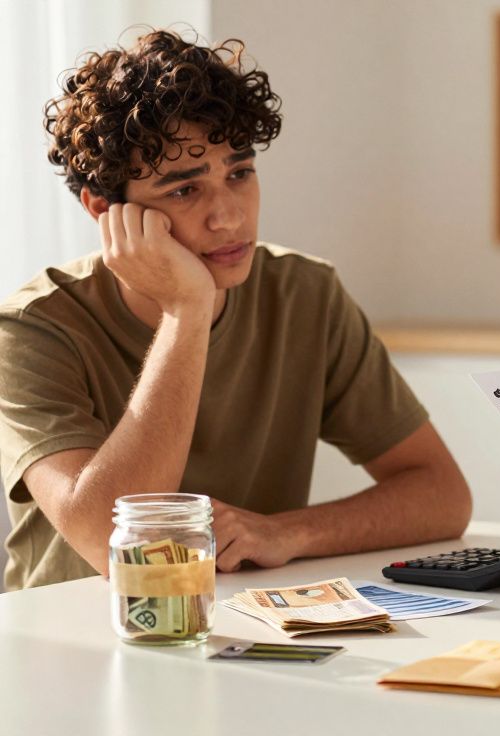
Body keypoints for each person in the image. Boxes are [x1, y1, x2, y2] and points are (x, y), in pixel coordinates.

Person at [0, 30, 472, 591]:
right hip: (75, 631)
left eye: (239, 174)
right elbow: (113, 544)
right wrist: (186, 310)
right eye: (184, 191)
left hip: (250, 623)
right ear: (105, 210)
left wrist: (285, 532)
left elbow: (442, 495)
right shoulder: (32, 330)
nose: (228, 217)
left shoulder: (305, 294)